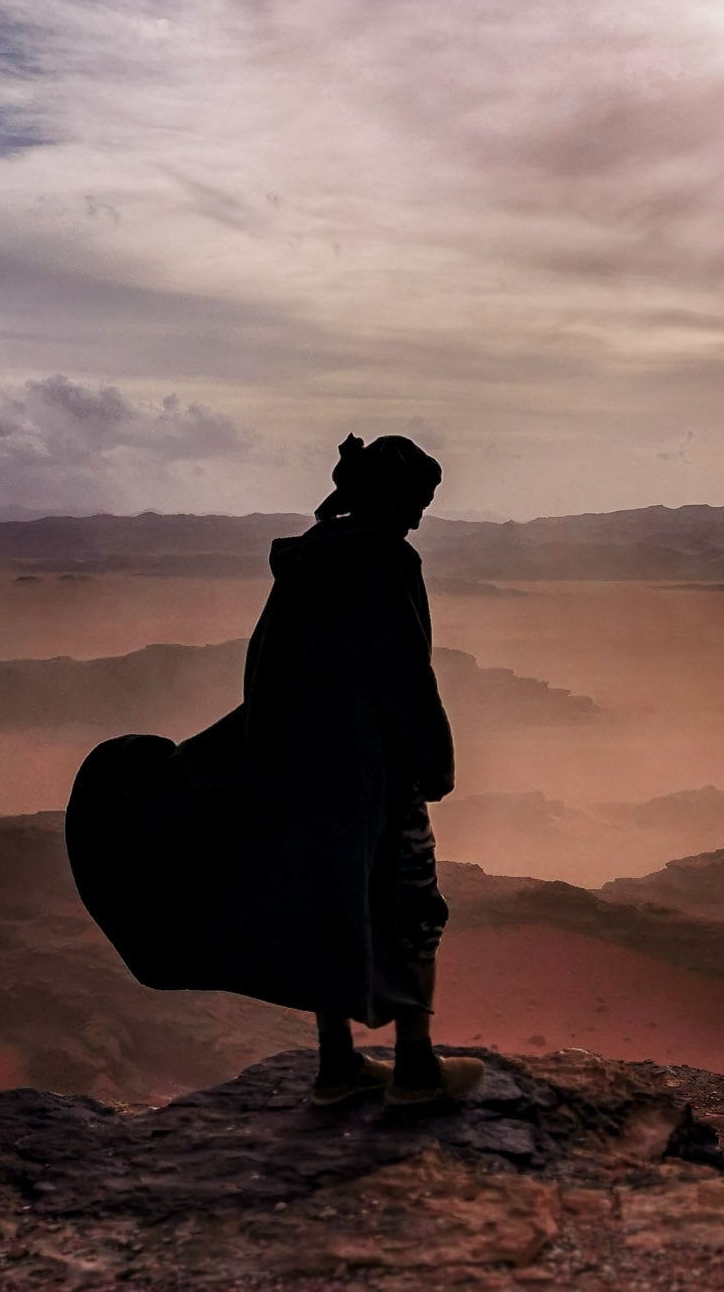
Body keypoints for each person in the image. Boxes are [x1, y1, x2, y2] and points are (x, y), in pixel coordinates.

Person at [229, 432, 483, 1107]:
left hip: (304, 775)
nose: (422, 516)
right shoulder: (384, 561)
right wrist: (434, 763)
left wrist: (271, 758)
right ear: (392, 497)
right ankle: (415, 1070)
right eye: (419, 500)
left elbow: (263, 668)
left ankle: (337, 1066)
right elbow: (404, 673)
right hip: (374, 776)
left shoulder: (308, 562)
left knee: (333, 905)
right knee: (412, 911)